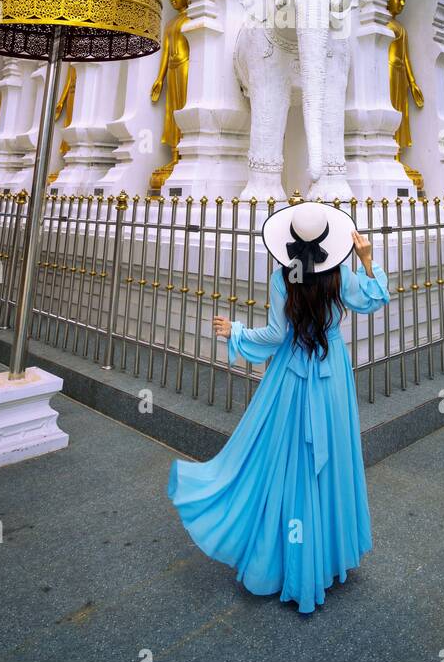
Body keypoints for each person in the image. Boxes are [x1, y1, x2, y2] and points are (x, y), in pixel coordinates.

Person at [167, 202, 390, 614]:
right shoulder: (340, 272)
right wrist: (367, 258)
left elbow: (274, 335)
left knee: (285, 460)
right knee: (329, 460)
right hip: (332, 374)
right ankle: (325, 559)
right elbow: (376, 298)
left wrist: (234, 330)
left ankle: (289, 561)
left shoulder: (282, 276)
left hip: (291, 374)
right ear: (328, 238)